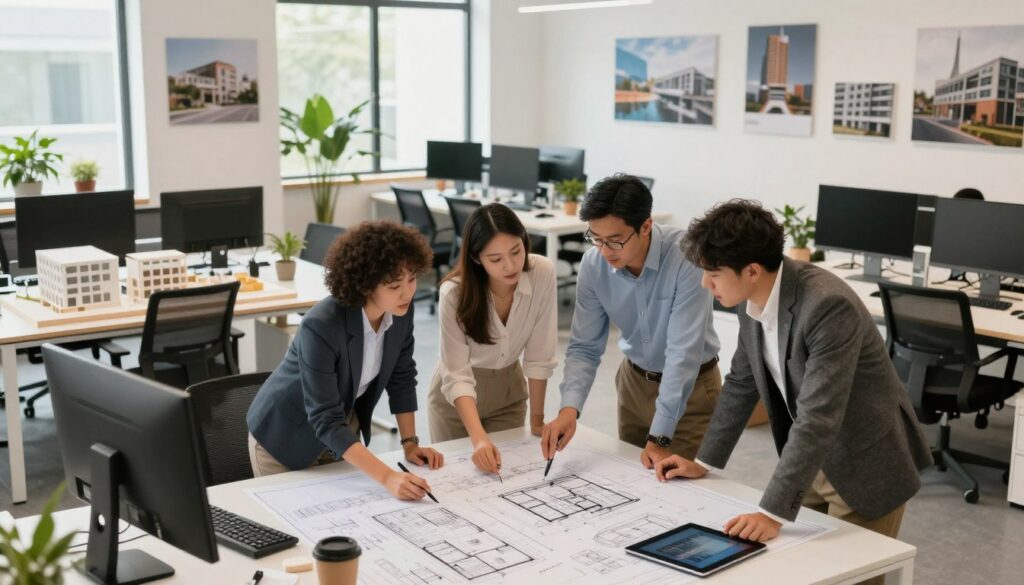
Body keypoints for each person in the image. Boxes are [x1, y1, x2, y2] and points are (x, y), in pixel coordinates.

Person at [658, 200, 931, 585]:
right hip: (812, 461)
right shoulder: (749, 298)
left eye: (713, 273)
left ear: (751, 270)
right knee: (805, 573)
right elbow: (741, 381)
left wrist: (771, 513)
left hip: (866, 462)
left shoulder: (826, 306)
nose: (706, 283)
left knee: (851, 579)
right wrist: (704, 462)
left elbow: (818, 417)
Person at [247, 221, 445, 501]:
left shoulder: (400, 312)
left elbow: (401, 376)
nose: (407, 293)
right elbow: (325, 418)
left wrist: (410, 444)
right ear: (365, 285)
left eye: (412, 279)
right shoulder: (321, 325)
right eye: (394, 285)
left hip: (339, 432)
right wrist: (388, 476)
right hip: (284, 437)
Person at [542, 174, 722, 470]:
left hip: (692, 390)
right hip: (633, 385)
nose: (604, 250)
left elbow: (682, 354)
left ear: (646, 226)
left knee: (679, 492)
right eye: (595, 238)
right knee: (632, 484)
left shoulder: (687, 257)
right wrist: (568, 410)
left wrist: (660, 436)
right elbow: (585, 347)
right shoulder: (593, 265)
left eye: (615, 240)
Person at [429, 203, 557, 476]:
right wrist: (478, 438)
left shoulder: (542, 272)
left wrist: (538, 421)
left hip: (509, 392)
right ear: (476, 258)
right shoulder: (454, 293)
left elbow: (539, 354)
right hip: (456, 401)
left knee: (509, 477)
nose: (510, 266)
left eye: (516, 251)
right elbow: (456, 373)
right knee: (459, 482)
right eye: (495, 259)